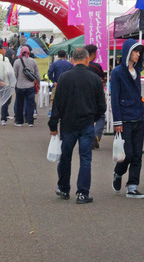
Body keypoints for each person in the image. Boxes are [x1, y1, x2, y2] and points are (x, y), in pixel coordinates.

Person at [49, 47, 106, 204]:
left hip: (68, 123)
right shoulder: (94, 79)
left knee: (65, 157)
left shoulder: (64, 78)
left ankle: (63, 187)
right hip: (87, 122)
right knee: (85, 158)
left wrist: (53, 124)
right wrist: (94, 117)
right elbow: (102, 105)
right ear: (88, 59)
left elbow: (57, 104)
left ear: (72, 60)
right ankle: (82, 192)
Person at [110, 39, 144, 199]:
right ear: (128, 52)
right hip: (125, 119)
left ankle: (132, 186)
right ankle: (118, 173)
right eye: (135, 51)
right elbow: (114, 97)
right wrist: (117, 121)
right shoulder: (117, 72)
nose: (138, 55)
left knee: (138, 154)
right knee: (129, 154)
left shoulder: (137, 71)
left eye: (139, 52)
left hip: (138, 116)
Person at [85, 44, 106, 148]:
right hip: (96, 95)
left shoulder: (81, 66)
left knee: (87, 116)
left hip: (84, 96)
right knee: (101, 116)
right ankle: (96, 136)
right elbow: (102, 80)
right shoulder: (96, 67)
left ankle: (89, 137)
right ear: (93, 54)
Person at [13, 45, 39, 127]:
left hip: (20, 86)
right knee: (30, 104)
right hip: (30, 86)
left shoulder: (17, 62)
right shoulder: (33, 61)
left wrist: (16, 82)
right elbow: (37, 74)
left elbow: (15, 74)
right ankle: (30, 121)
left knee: (19, 104)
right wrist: (38, 84)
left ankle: (19, 121)